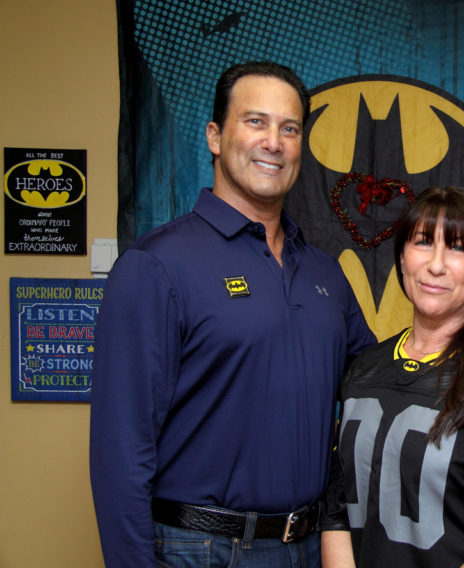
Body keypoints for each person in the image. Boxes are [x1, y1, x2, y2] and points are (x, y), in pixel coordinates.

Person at [89, 61, 376, 568]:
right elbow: (120, 453)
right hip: (198, 551)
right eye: (256, 122)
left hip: (310, 548)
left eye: (289, 128)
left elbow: (382, 383)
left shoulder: (325, 274)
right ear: (216, 137)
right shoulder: (156, 266)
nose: (274, 142)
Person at [320, 186, 464, 568]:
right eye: (423, 242)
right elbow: (335, 508)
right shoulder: (364, 370)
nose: (436, 264)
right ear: (401, 257)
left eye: (458, 247)